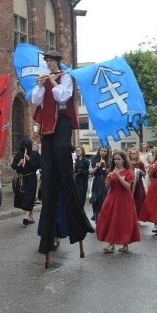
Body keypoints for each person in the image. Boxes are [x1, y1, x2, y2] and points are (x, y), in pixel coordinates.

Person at [31, 50, 94, 268]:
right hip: (47, 127)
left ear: (57, 62)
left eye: (50, 61)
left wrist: (51, 81)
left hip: (62, 125)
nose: (47, 64)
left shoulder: (66, 77)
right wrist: (41, 85)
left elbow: (63, 97)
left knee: (62, 159)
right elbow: (36, 100)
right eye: (46, 61)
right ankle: (47, 239)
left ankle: (78, 226)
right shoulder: (44, 79)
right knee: (49, 176)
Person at [96, 150, 141, 253]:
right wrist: (108, 178)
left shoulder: (128, 171)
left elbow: (127, 186)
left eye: (118, 159)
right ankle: (111, 244)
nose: (116, 161)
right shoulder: (112, 171)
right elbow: (107, 187)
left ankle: (125, 244)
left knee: (123, 220)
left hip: (124, 198)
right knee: (111, 219)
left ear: (123, 160)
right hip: (112, 197)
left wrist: (119, 176)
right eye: (115, 159)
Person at [11, 136, 41, 225]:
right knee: (25, 197)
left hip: (31, 178)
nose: (26, 149)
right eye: (24, 147)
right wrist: (19, 165)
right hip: (22, 178)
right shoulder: (19, 154)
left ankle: (26, 216)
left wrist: (30, 160)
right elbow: (13, 166)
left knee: (30, 197)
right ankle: (31, 217)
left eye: (27, 147)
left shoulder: (35, 154)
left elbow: (40, 165)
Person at [89, 147, 110, 221]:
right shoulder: (93, 158)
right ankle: (95, 213)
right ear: (99, 151)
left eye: (105, 151)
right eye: (101, 150)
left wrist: (104, 166)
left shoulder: (109, 160)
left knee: (103, 197)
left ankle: (101, 216)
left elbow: (109, 172)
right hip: (96, 180)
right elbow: (91, 172)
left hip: (104, 180)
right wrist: (97, 166)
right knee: (94, 198)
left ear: (107, 152)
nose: (103, 152)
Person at [128, 146, 146, 219]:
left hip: (138, 183)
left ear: (137, 154)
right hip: (129, 183)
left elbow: (144, 174)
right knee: (129, 199)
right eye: (131, 153)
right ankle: (129, 216)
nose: (133, 155)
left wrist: (139, 171)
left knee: (139, 199)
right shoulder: (127, 163)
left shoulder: (140, 163)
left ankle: (137, 217)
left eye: (134, 153)